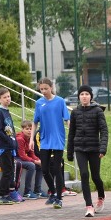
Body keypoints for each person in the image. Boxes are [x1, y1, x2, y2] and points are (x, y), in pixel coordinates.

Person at [67, 84, 108, 217]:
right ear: (79, 97)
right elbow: (71, 133)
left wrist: (103, 148)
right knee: (84, 174)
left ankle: (101, 196)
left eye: (87, 94)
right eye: (82, 94)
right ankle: (89, 206)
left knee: (96, 177)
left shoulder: (98, 111)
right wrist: (69, 151)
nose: (84, 96)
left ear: (91, 96)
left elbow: (104, 131)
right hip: (80, 148)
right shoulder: (75, 112)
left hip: (95, 148)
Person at [29, 77, 70, 209]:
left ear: (51, 87)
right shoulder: (39, 103)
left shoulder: (60, 101)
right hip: (45, 139)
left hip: (57, 139)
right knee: (45, 169)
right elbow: (35, 122)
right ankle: (52, 193)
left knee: (57, 169)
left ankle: (59, 198)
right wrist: (31, 139)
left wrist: (74, 134)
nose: (44, 91)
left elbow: (67, 120)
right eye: (41, 89)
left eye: (46, 88)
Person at [0, 87, 18, 205]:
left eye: (8, 96)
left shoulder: (6, 111)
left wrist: (14, 142)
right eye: (4, 97)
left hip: (10, 145)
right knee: (7, 171)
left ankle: (7, 194)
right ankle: (1, 195)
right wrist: (8, 141)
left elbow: (10, 129)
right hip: (4, 146)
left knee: (10, 170)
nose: (8, 99)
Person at [16, 119, 47, 200]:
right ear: (22, 129)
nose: (29, 131)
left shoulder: (30, 139)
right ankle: (27, 192)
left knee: (40, 165)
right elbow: (22, 156)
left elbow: (31, 153)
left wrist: (39, 160)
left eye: (30, 129)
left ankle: (37, 190)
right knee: (31, 165)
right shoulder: (20, 139)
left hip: (22, 158)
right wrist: (34, 161)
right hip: (16, 159)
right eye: (27, 129)